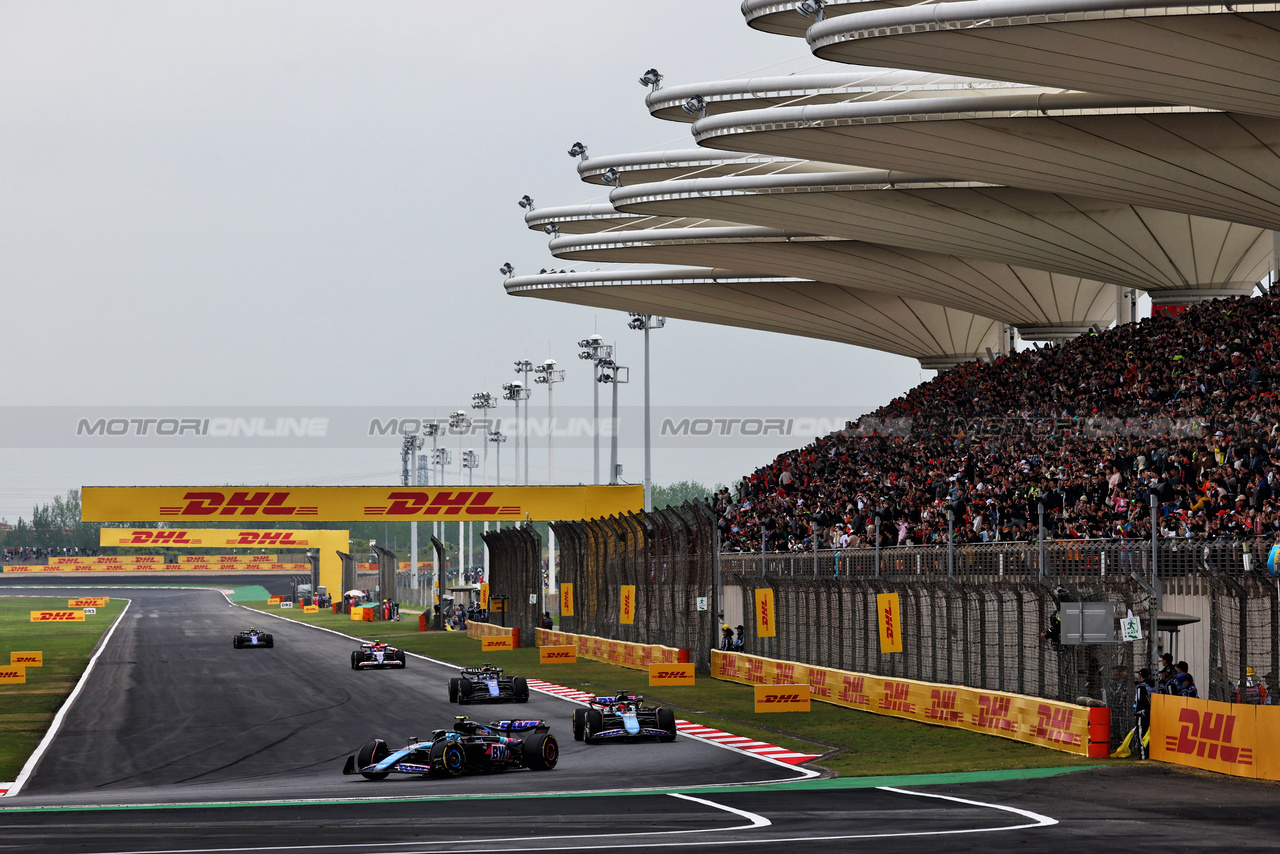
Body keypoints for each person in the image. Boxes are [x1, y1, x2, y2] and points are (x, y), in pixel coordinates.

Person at [1133, 667, 1154, 760]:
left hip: (1143, 713)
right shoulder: (1153, 686)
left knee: (1142, 733)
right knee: (1149, 734)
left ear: (1140, 675)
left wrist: (1137, 712)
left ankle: (1143, 755)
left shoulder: (1141, 687)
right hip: (1152, 713)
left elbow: (1139, 701)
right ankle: (1150, 753)